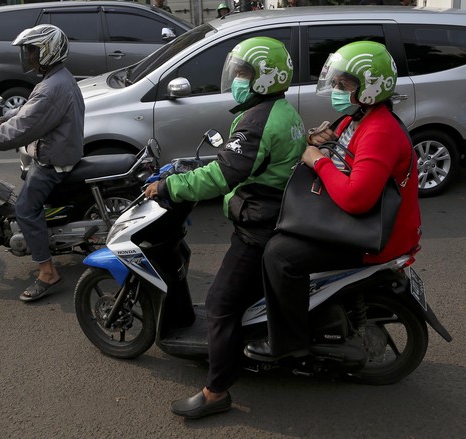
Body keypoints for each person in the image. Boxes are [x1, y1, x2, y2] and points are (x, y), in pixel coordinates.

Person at [143, 37, 306, 419]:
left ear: (266, 78)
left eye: (244, 73)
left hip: (258, 227)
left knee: (219, 303)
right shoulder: (279, 110)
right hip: (275, 214)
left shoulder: (258, 121)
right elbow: (235, 161)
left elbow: (223, 173)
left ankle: (216, 392)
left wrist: (170, 186)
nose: (236, 79)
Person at [244, 41, 421, 361]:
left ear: (370, 88)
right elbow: (328, 146)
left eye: (345, 84)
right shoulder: (360, 117)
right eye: (336, 83)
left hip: (375, 235)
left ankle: (289, 344)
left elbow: (356, 198)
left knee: (279, 255)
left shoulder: (379, 131)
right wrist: (318, 142)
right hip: (361, 221)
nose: (337, 89)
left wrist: (317, 161)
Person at [0, 25, 84, 302]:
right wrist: (3, 117)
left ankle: (48, 272)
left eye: (32, 51)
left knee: (26, 210)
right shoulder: (57, 78)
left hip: (53, 161)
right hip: (59, 151)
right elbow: (31, 110)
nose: (27, 57)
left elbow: (21, 130)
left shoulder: (52, 86)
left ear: (48, 51)